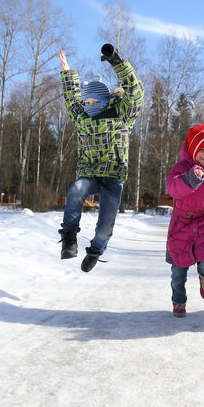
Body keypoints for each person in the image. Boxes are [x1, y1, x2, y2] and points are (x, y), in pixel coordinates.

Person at [57, 44, 144, 272]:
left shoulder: (122, 114)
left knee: (104, 227)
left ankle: (96, 250)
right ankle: (69, 238)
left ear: (105, 101)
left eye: (95, 102)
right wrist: (67, 73)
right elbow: (70, 97)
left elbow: (136, 91)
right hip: (90, 174)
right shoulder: (81, 117)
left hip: (113, 177)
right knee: (76, 189)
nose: (90, 106)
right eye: (87, 102)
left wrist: (117, 61)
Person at [166, 124, 204, 317]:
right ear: (193, 148)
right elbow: (173, 188)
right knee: (178, 270)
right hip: (182, 224)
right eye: (202, 148)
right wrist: (190, 179)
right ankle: (178, 301)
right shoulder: (181, 168)